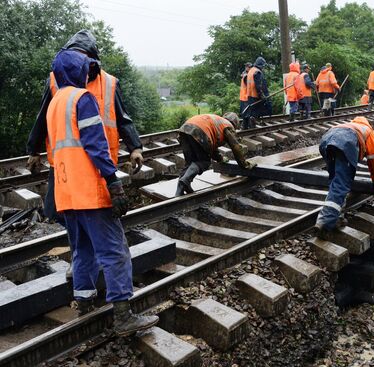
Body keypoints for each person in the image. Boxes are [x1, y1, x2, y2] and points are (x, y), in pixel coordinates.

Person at [47, 49, 158, 334]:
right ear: (76, 71)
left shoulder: (55, 102)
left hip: (66, 193)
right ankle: (123, 316)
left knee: (81, 249)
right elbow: (95, 146)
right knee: (114, 251)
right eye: (84, 68)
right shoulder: (82, 99)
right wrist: (113, 181)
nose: (88, 73)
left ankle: (84, 302)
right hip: (89, 190)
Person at [26, 30, 143, 223]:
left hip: (99, 160)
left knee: (98, 212)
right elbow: (43, 118)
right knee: (59, 211)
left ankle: (86, 243)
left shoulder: (109, 83)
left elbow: (122, 117)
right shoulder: (54, 81)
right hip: (66, 161)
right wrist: (34, 150)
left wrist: (135, 147)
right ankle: (79, 242)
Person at [315, 116, 374, 235]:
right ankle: (325, 222)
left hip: (326, 140)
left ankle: (338, 217)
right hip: (345, 143)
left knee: (336, 181)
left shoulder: (348, 125)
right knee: (341, 184)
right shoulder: (368, 131)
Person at [175, 113, 254, 196]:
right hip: (198, 130)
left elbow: (211, 148)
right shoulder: (227, 125)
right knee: (204, 161)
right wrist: (245, 165)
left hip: (184, 129)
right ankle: (184, 181)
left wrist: (220, 159)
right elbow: (236, 147)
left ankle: (180, 190)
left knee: (190, 162)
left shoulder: (217, 122)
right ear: (235, 123)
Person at [244, 57, 270, 129]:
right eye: (263, 66)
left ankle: (247, 125)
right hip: (255, 95)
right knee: (256, 111)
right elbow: (258, 85)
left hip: (249, 95)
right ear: (261, 65)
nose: (263, 67)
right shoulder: (257, 72)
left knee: (250, 110)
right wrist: (261, 95)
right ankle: (252, 125)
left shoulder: (251, 70)